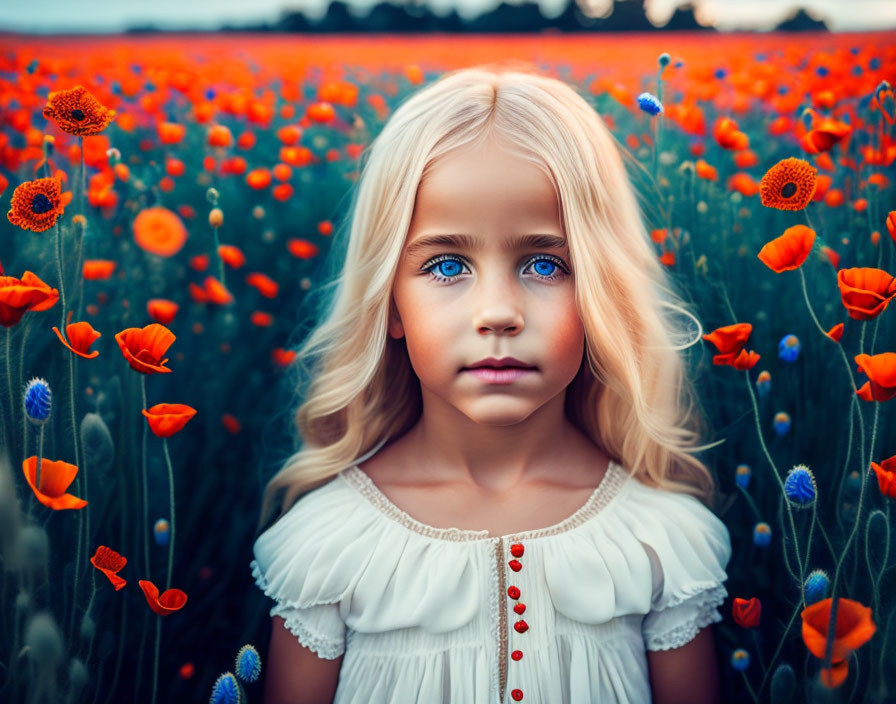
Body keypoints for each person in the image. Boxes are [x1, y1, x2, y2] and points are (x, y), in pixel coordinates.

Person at [250, 61, 732, 704]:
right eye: (447, 264)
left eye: (544, 263)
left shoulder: (656, 541)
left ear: (603, 293)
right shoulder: (333, 545)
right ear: (389, 303)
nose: (499, 312)